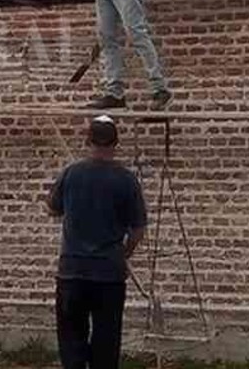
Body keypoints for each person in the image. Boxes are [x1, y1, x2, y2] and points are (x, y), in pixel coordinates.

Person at [47, 115, 147, 369]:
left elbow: (53, 209)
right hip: (109, 274)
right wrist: (123, 254)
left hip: (71, 272)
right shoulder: (126, 180)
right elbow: (138, 229)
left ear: (88, 140)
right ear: (116, 143)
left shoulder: (71, 173)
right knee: (107, 339)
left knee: (71, 341)